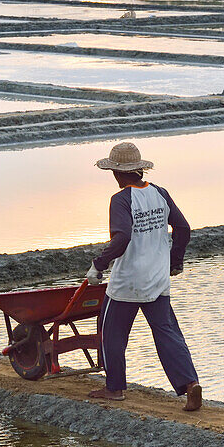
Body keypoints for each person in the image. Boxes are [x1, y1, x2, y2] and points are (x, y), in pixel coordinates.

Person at [85, 142, 202, 412]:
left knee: (111, 332)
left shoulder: (120, 199)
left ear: (115, 173)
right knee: (167, 332)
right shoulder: (160, 193)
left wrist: (98, 264)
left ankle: (114, 388)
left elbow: (122, 237)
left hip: (128, 281)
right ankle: (189, 385)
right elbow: (182, 228)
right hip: (158, 279)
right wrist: (175, 261)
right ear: (139, 169)